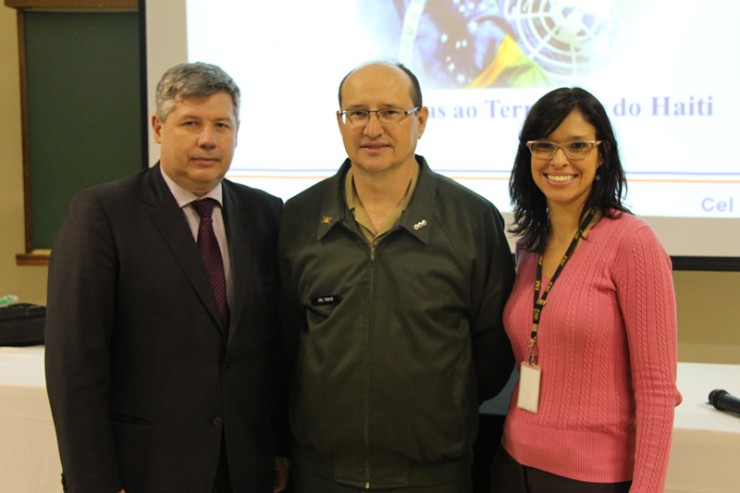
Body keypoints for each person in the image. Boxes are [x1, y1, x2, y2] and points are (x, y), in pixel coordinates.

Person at [45, 62, 289, 493]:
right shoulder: (103, 214)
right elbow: (75, 365)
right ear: (159, 127)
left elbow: (276, 353)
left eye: (221, 124)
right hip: (146, 472)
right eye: (190, 123)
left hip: (246, 469)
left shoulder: (267, 214)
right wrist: (94, 482)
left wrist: (281, 451)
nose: (207, 139)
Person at [278, 60, 515, 492]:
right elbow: (285, 342)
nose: (372, 128)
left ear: (420, 121)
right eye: (358, 113)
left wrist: (444, 407)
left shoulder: (472, 220)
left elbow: (492, 352)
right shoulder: (297, 218)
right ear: (340, 121)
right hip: (322, 474)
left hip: (434, 476)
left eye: (390, 112)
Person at [490, 87, 682, 492]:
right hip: (513, 464)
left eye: (577, 145)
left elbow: (657, 390)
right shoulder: (530, 245)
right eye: (544, 145)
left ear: (603, 154)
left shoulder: (633, 243)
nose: (559, 160)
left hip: (592, 478)